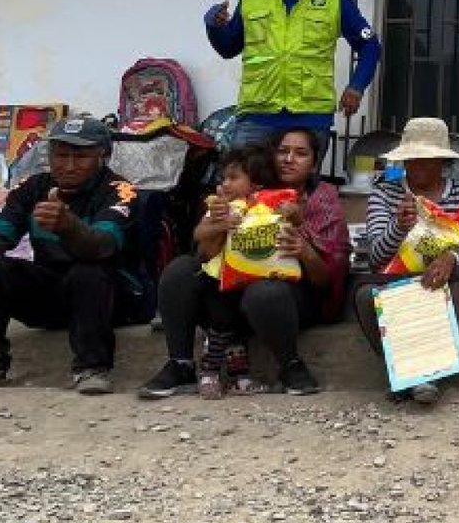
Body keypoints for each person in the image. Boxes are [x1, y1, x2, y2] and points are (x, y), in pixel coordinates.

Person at [141, 128, 349, 398]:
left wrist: (305, 251)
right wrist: (217, 225)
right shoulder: (239, 191)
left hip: (288, 301)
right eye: (282, 151)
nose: (289, 159)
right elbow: (203, 257)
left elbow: (327, 279)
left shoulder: (322, 199)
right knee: (181, 270)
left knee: (264, 291)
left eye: (301, 153)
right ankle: (180, 363)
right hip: (228, 299)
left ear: (314, 164)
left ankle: (290, 365)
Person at [0, 115, 144, 395]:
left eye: (80, 156)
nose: (67, 166)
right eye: (60, 154)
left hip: (112, 300)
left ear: (103, 156)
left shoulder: (120, 192)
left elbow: (101, 246)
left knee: (88, 271)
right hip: (54, 295)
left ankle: (92, 369)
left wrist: (68, 226)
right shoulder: (32, 188)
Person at [205, 0, 382, 156]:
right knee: (247, 187)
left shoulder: (334, 0)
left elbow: (370, 45)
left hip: (310, 117)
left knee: (299, 190)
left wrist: (356, 87)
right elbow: (228, 48)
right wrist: (214, 27)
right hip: (257, 116)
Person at [352, 118, 459, 405]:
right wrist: (399, 226)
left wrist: (451, 258)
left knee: (458, 283)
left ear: (441, 162)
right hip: (395, 282)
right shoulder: (385, 194)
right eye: (412, 160)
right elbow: (376, 258)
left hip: (441, 282)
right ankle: (414, 375)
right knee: (365, 294)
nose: (418, 166)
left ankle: (419, 376)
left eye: (427, 160)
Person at [190, 146, 277, 398]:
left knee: (238, 331)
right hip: (215, 279)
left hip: (246, 280)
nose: (224, 184)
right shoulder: (220, 207)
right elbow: (198, 234)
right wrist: (220, 225)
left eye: (233, 178)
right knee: (220, 326)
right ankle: (209, 372)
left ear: (257, 184)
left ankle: (240, 378)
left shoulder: (265, 207)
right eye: (223, 178)